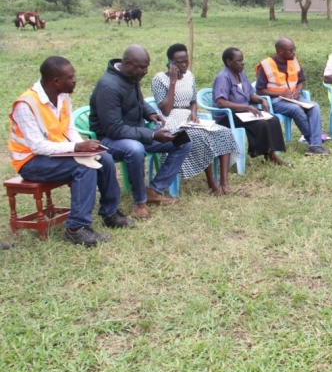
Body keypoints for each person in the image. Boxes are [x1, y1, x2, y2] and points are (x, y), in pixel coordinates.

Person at [9, 56, 132, 246]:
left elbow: (69, 129)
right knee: (83, 167)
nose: (75, 80)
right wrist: (77, 148)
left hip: (57, 153)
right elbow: (37, 146)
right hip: (31, 161)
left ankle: (110, 213)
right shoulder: (26, 105)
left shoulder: (63, 96)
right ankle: (76, 228)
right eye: (70, 77)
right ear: (56, 81)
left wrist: (87, 148)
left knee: (104, 159)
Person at [90, 45, 191, 219]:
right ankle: (139, 202)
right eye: (142, 67)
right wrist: (151, 135)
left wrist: (150, 113)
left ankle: (154, 190)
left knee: (182, 141)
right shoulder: (108, 87)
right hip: (109, 139)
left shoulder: (130, 77)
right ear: (128, 63)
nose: (146, 71)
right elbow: (114, 129)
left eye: (147, 67)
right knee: (135, 149)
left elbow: (138, 101)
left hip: (135, 133)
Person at [151, 44, 241, 196]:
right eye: (179, 62)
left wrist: (193, 112)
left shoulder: (190, 76)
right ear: (170, 63)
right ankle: (211, 182)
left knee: (224, 132)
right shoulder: (159, 79)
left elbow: (193, 101)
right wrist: (173, 81)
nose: (184, 65)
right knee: (199, 137)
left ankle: (224, 182)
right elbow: (165, 109)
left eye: (186, 61)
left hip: (188, 118)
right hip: (170, 119)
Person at [212, 47, 291, 167]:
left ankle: (271, 154)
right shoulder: (223, 77)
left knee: (272, 119)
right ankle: (263, 153)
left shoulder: (241, 74)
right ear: (229, 62)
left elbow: (250, 94)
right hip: (227, 116)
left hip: (243, 113)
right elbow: (221, 102)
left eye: (242, 60)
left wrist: (261, 100)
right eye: (239, 61)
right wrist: (248, 108)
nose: (242, 63)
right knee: (261, 123)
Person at [255, 37, 329, 156]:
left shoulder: (294, 61)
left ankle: (315, 145)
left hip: (294, 98)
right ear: (280, 51)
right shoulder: (266, 65)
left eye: (294, 49)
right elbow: (259, 90)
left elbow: (300, 81)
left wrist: (298, 90)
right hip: (275, 100)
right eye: (291, 50)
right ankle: (314, 143)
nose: (294, 52)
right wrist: (281, 94)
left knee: (314, 106)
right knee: (296, 109)